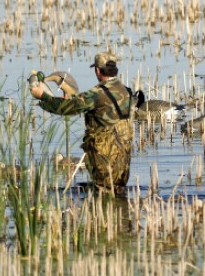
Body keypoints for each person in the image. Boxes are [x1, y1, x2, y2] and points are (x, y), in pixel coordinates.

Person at [30, 52, 133, 195]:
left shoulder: (96, 94)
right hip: (123, 167)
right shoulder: (127, 92)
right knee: (116, 196)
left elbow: (67, 109)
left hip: (104, 165)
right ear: (114, 69)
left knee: (101, 201)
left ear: (97, 70)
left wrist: (43, 97)